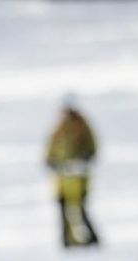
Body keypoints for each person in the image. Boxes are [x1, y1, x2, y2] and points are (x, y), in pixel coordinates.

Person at [44, 96, 101, 248]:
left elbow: (92, 149)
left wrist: (84, 159)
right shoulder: (59, 128)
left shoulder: (82, 127)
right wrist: (51, 161)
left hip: (78, 178)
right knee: (63, 211)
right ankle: (67, 240)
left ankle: (91, 240)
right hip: (62, 179)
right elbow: (50, 150)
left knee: (80, 210)